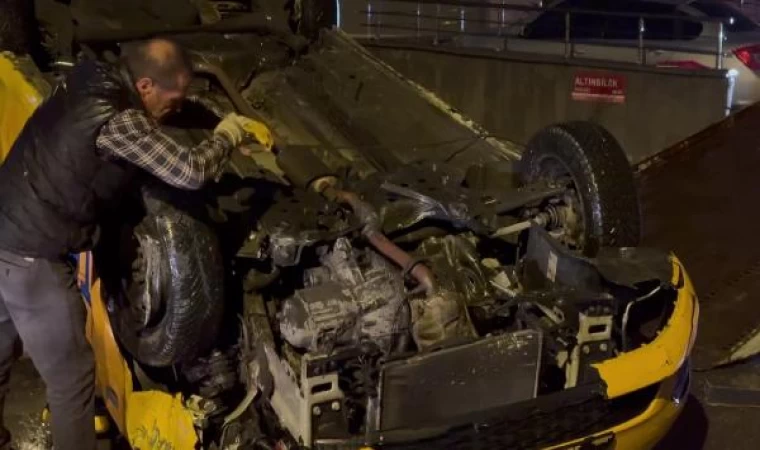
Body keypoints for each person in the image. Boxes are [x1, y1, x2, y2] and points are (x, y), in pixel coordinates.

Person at [0, 38, 260, 450]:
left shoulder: (89, 75)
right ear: (143, 86)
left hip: (6, 221)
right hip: (32, 257)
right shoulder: (117, 120)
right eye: (172, 100)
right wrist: (227, 135)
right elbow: (190, 171)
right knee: (72, 381)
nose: (175, 108)